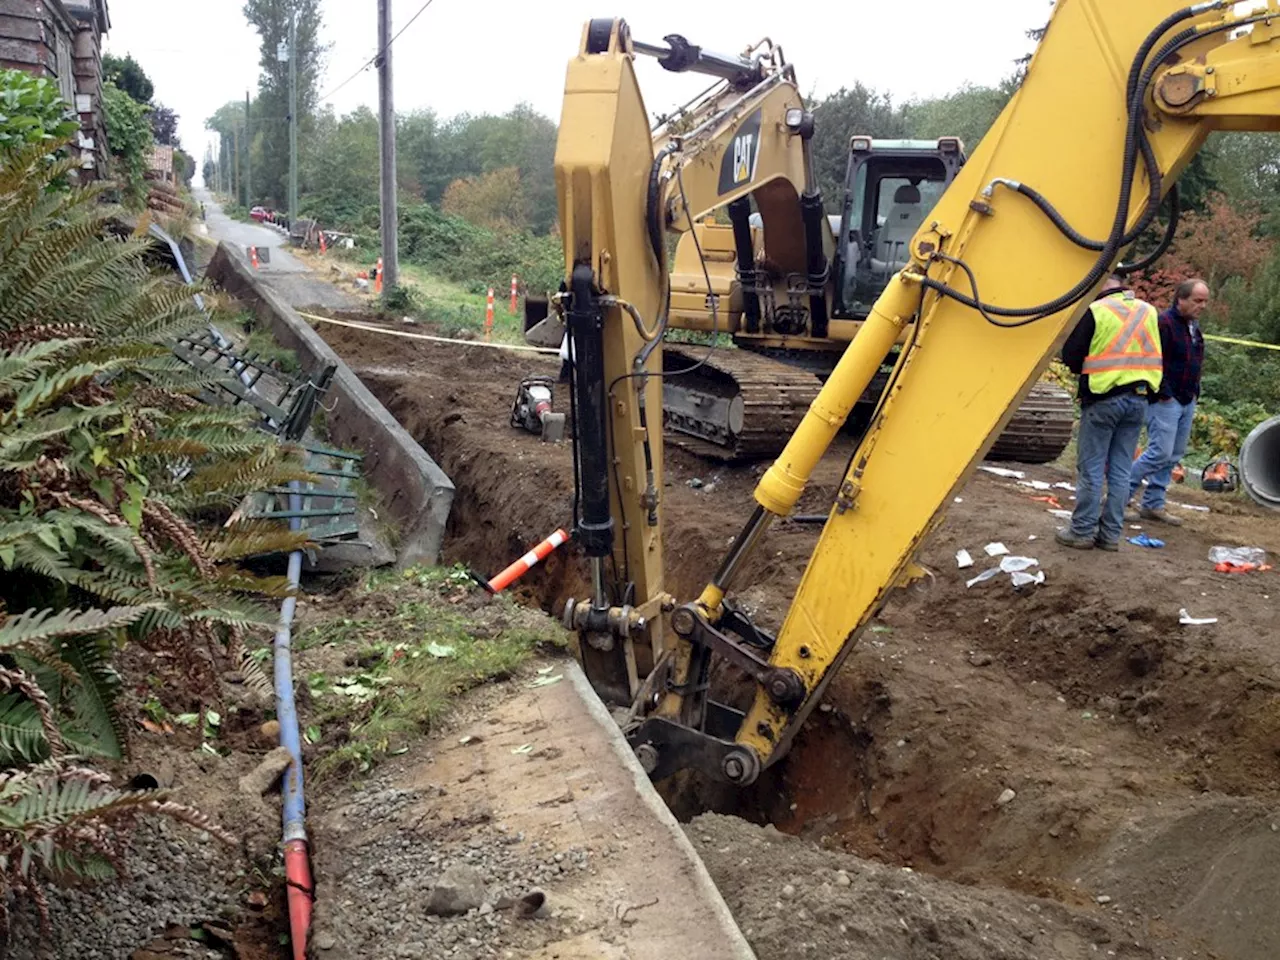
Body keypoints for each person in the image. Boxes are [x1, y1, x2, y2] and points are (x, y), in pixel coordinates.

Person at [1056, 276, 1163, 551]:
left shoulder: (1097, 311)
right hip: (1139, 399)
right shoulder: (1148, 311)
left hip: (1103, 398)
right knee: (1120, 469)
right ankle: (1110, 536)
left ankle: (1081, 531)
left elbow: (1071, 357)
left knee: (1091, 468)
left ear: (1100, 287)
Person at [1126, 278, 1209, 526]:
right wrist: (1163, 393)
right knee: (1159, 452)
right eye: (1197, 300)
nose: (1202, 306)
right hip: (1166, 399)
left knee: (1173, 454)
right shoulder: (1163, 323)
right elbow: (1152, 359)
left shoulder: (1194, 328)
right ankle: (1119, 497)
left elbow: (1194, 361)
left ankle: (1153, 504)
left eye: (1205, 301)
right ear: (1181, 299)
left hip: (1186, 397)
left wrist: (1194, 392)